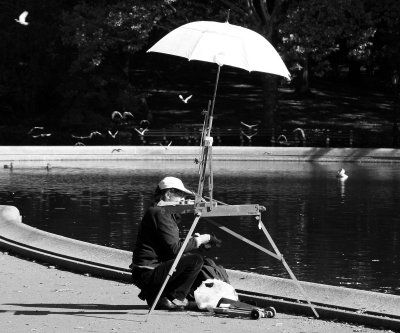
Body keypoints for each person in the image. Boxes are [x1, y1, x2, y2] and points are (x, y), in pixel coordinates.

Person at [131, 176, 214, 310]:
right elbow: (175, 249)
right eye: (179, 194)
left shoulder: (158, 211)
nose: (182, 198)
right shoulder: (161, 212)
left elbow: (168, 245)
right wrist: (201, 240)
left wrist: (193, 239)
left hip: (144, 272)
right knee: (196, 261)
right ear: (168, 194)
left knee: (188, 260)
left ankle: (158, 296)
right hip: (147, 273)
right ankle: (175, 298)